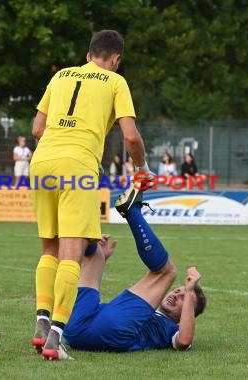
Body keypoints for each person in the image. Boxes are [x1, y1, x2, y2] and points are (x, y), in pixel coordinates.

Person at [29, 30, 155, 360]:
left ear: (88, 55)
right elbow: (131, 137)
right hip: (78, 165)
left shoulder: (60, 76)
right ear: (115, 59)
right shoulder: (116, 82)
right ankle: (56, 339)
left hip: (41, 162)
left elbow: (37, 130)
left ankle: (41, 323)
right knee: (71, 253)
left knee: (49, 248)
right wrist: (142, 168)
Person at [62, 183, 206, 353]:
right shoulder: (150, 309)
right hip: (74, 329)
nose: (177, 294)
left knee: (167, 272)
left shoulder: (170, 330)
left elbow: (184, 340)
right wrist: (102, 260)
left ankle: (131, 211)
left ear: (186, 314)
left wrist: (190, 292)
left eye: (183, 298)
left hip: (112, 330)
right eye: (179, 291)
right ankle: (87, 234)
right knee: (97, 255)